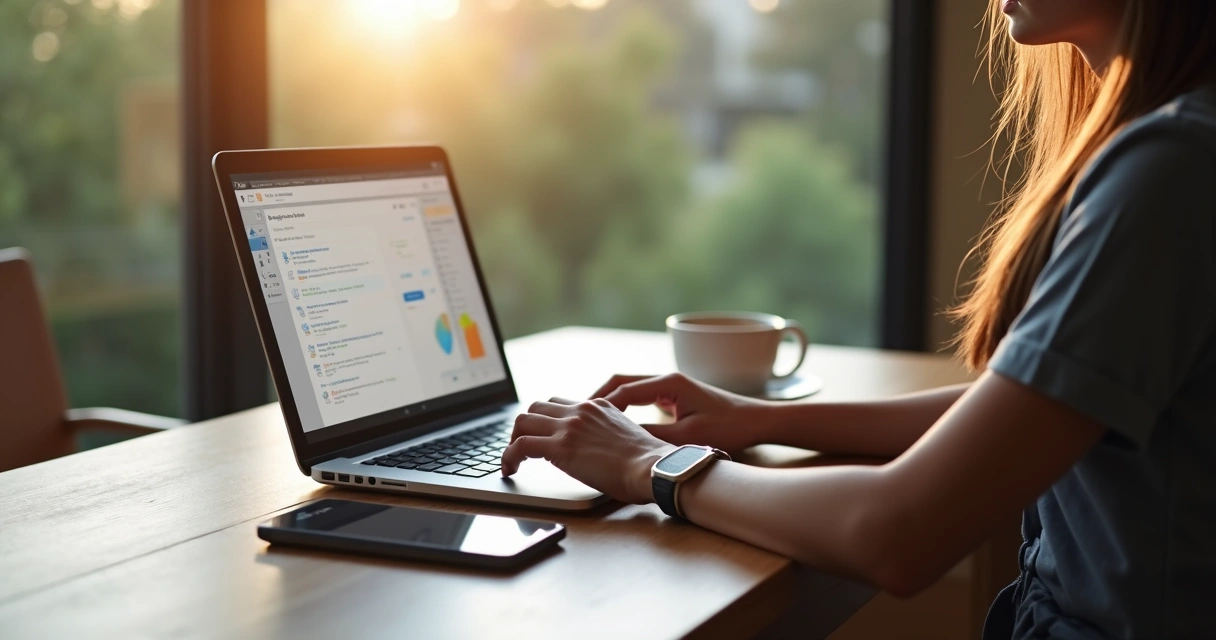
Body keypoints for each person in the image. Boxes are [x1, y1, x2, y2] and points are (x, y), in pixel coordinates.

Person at [501, 1, 1216, 638]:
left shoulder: (1171, 173)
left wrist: (647, 464)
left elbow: (899, 533)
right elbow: (1031, 412)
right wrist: (761, 419)